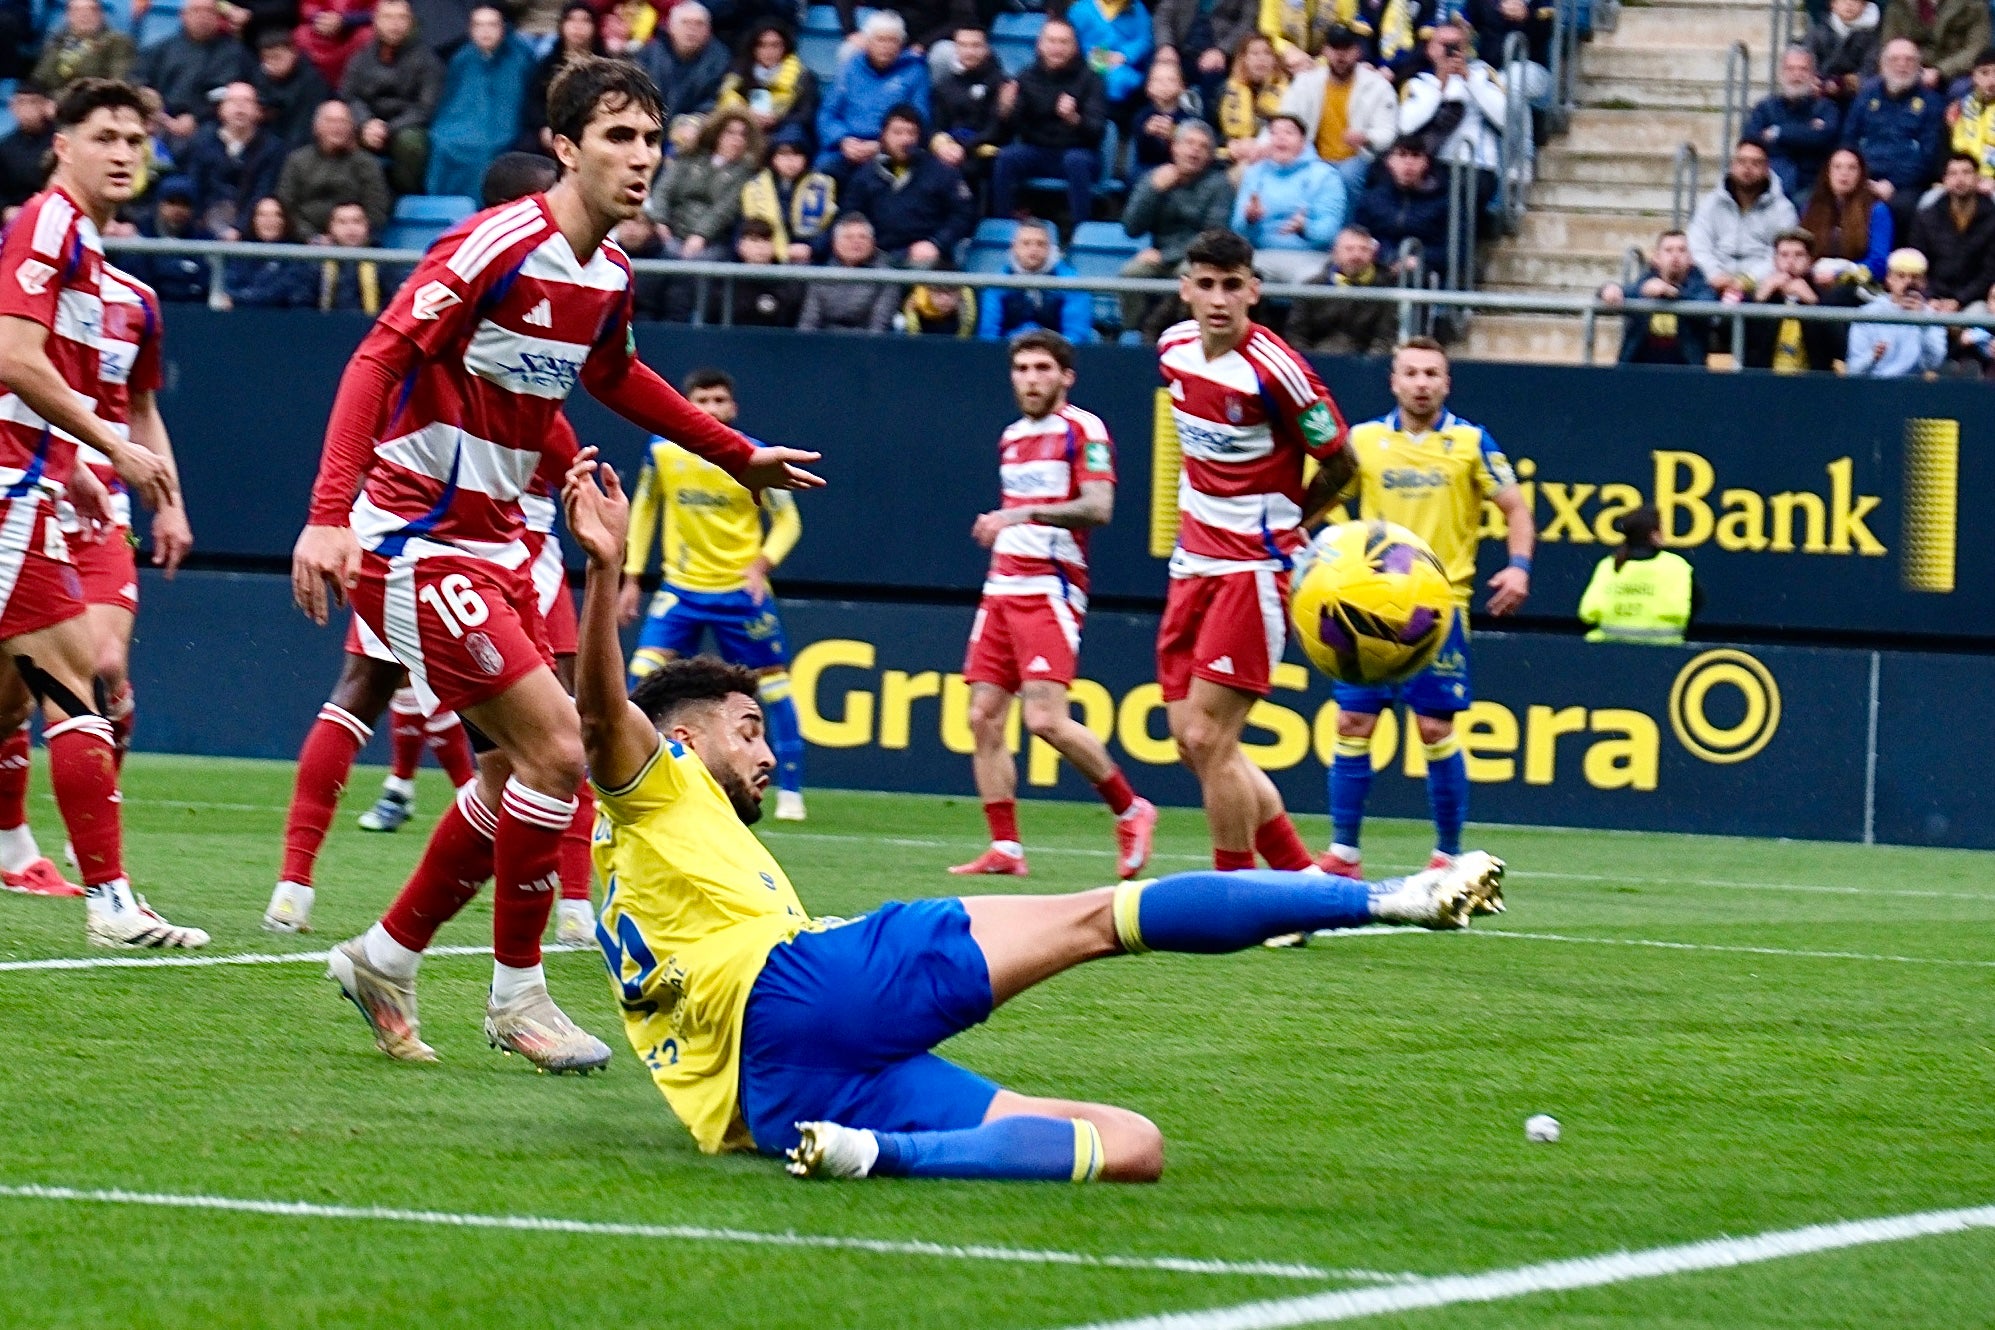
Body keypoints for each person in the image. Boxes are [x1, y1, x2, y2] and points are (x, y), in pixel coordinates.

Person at [560, 453, 1506, 1180]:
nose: (765, 754)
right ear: (680, 735)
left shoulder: (640, 849)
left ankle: (877, 1156)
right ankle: (1385, 898)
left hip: (769, 1100)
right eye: (749, 729)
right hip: (806, 988)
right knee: (1104, 919)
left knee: (1131, 1146)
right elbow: (604, 716)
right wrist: (605, 569)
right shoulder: (661, 776)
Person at [293, 56, 823, 1072]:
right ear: (566, 147)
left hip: (498, 541)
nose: (642, 157)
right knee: (559, 752)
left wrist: (736, 453)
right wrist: (329, 517)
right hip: (412, 538)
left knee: (511, 775)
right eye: (619, 137)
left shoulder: (609, 274)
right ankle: (517, 999)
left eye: (653, 139)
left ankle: (385, 954)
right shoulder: (499, 242)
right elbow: (379, 357)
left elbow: (614, 374)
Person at [0, 79, 196, 944]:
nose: (122, 152)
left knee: (44, 696)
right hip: (12, 488)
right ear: (63, 143)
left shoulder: (90, 253)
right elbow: (14, 358)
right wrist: (107, 448)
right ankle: (110, 902)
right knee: (77, 687)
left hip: (36, 487)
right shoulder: (47, 222)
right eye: (105, 135)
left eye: (135, 140)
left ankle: (90, 885)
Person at [1155, 228, 1353, 873]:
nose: (1218, 300)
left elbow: (1342, 464)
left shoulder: (1280, 371)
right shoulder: (1174, 350)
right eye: (1206, 285)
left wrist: (1293, 522)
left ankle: (1238, 898)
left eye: (1232, 286)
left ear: (1254, 291)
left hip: (1253, 568)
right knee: (1193, 743)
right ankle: (1301, 882)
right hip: (1193, 562)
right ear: (1186, 289)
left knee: (1211, 737)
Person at [1311, 337, 1531, 888]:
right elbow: (1318, 494)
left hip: (1437, 610)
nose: (1422, 382)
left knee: (1434, 727)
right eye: (1411, 372)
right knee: (1352, 722)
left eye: (1432, 373)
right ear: (1394, 381)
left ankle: (1448, 855)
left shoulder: (1470, 441)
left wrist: (1519, 566)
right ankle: (1343, 851)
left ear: (1446, 383)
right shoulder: (1362, 440)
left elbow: (1515, 508)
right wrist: (1330, 546)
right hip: (1367, 607)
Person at [948, 331, 1157, 880]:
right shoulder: (1011, 436)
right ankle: (1006, 848)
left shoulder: (1084, 429)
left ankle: (1131, 809)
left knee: (1044, 720)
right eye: (1021, 368)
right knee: (982, 716)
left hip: (1050, 587)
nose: (1031, 377)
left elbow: (1098, 507)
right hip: (1002, 588)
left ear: (1066, 376)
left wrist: (1018, 517)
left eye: (1043, 367)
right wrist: (1006, 529)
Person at [620, 368, 808, 821]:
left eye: (719, 400)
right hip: (682, 588)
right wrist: (631, 577)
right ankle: (622, 771)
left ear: (733, 407)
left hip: (739, 591)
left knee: (775, 689)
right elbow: (644, 510)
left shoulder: (756, 456)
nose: (711, 409)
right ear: (687, 407)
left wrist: (761, 564)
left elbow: (789, 521)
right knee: (640, 679)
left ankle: (791, 792)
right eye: (701, 401)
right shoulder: (663, 451)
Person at [1118, 119, 1233, 334]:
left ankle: (1187, 332)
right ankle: (1132, 332)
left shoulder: (1220, 185)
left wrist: (1165, 255)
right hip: (1161, 255)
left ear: (1210, 156)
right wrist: (1153, 191)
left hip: (1200, 258)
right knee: (1131, 273)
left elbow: (1213, 237)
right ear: (1175, 147)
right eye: (1189, 143)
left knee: (1187, 274)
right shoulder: (1155, 178)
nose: (1195, 151)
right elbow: (1131, 228)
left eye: (1203, 147)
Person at [990, 18, 1107, 227]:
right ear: (1040, 45)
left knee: (1075, 160)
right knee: (1006, 158)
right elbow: (1008, 131)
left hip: (1080, 153)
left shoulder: (1091, 78)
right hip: (1038, 151)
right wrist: (1005, 110)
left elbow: (1097, 131)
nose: (1057, 48)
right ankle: (1003, 228)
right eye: (1051, 41)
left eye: (1064, 42)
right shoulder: (1027, 76)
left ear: (1075, 46)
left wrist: (1074, 119)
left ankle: (1081, 231)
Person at [838, 104, 974, 268]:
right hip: (875, 257)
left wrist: (937, 243)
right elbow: (850, 215)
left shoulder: (942, 173)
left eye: (911, 133)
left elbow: (963, 214)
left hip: (925, 256)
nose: (905, 140)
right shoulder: (864, 176)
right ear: (883, 135)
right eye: (897, 133)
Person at [1396, 22, 1507, 217]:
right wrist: (1440, 86)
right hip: (1433, 164)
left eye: (1456, 45)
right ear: (1430, 49)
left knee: (1451, 200)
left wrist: (1469, 79)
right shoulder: (1418, 82)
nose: (1449, 51)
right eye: (1443, 45)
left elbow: (1505, 119)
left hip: (1476, 166)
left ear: (1466, 48)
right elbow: (1405, 126)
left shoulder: (1483, 75)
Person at [425, 5, 536, 197]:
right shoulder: (462, 58)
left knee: (486, 148)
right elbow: (451, 100)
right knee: (440, 141)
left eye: (492, 25)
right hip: (460, 123)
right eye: (479, 25)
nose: (485, 31)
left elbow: (524, 101)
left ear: (503, 28)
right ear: (471, 29)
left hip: (503, 128)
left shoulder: (520, 58)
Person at [339, 0, 445, 197]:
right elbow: (349, 96)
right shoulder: (361, 56)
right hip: (367, 124)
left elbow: (425, 107)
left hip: (406, 126)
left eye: (401, 18)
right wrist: (365, 123)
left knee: (411, 143)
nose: (394, 24)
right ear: (376, 21)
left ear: (410, 22)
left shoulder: (427, 59)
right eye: (388, 17)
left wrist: (388, 129)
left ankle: (405, 195)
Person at [1276, 24, 1397, 196]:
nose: (1340, 55)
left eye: (1346, 48)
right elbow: (1284, 119)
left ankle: (1345, 223)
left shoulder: (1378, 86)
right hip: (1313, 157)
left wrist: (1366, 137)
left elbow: (1388, 132)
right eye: (1335, 48)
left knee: (1347, 175)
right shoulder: (1305, 83)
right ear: (1325, 51)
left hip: (1359, 158)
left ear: (1358, 51)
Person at [814, 10, 932, 182]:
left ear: (901, 44)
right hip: (846, 148)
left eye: (892, 41)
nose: (886, 46)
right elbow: (827, 113)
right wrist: (843, 140)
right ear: (868, 42)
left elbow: (920, 118)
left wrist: (883, 145)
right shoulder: (850, 68)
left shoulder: (915, 71)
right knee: (824, 172)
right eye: (881, 40)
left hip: (892, 150)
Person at [1841, 38, 1947, 225]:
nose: (1902, 65)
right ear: (1882, 65)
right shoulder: (1865, 98)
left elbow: (1928, 156)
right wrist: (1859, 179)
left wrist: (1892, 184)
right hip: (1862, 178)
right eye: (1894, 60)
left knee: (1900, 208)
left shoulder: (1932, 103)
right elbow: (1848, 141)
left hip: (1907, 186)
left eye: (1909, 60)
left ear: (1919, 66)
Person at [1229, 112, 1345, 282]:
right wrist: (1249, 219)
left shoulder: (1325, 176)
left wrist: (1305, 227)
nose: (1280, 138)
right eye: (1274, 133)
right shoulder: (1254, 173)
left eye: (1288, 133)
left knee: (1311, 279)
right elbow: (1237, 229)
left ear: (1303, 142)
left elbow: (1329, 232)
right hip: (1261, 254)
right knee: (1243, 277)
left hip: (1310, 256)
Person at [646, 103, 762, 261]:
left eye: (743, 135)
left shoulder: (745, 172)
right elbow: (663, 189)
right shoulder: (689, 158)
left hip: (714, 242)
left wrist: (700, 235)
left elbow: (723, 210)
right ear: (717, 133)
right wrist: (659, 220)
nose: (737, 139)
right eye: (730, 133)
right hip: (671, 231)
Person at [134, 0, 257, 147]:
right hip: (160, 121)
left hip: (212, 125)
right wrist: (160, 115)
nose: (202, 17)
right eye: (196, 11)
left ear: (218, 17)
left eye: (209, 11)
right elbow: (138, 81)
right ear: (183, 16)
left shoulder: (235, 54)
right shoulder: (159, 50)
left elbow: (230, 91)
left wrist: (196, 117)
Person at [1686, 138, 1799, 297]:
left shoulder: (1783, 209)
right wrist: (1715, 275)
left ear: (1767, 168)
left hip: (1761, 286)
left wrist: (1749, 279)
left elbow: (1782, 254)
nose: (1747, 168)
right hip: (1713, 284)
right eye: (1741, 161)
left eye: (1755, 163)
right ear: (1732, 165)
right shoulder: (1711, 204)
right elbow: (1698, 245)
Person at [1577, 506, 1698, 646]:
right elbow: (1695, 604)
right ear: (1654, 534)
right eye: (1661, 529)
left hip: (1607, 651)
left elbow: (1587, 613)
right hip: (1663, 652)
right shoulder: (1676, 566)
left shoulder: (1607, 565)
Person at [1598, 229, 1718, 366]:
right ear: (1656, 258)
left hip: (1687, 372)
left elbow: (1708, 306)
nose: (1675, 256)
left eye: (1682, 250)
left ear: (1690, 259)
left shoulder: (1700, 287)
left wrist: (1672, 293)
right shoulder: (1645, 284)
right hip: (1637, 370)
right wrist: (1607, 290)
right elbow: (1621, 292)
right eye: (1668, 250)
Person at [183, 81, 286, 239]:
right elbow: (194, 185)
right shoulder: (202, 143)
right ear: (221, 109)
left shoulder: (271, 148)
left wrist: (239, 228)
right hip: (205, 229)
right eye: (233, 101)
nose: (240, 108)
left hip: (251, 233)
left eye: (247, 102)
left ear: (259, 111)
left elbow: (262, 191)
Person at [278, 99, 392, 239]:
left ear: (351, 127)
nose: (337, 127)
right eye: (331, 121)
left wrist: (348, 235)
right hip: (303, 244)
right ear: (317, 126)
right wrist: (311, 237)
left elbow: (376, 212)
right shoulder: (297, 161)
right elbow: (286, 208)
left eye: (342, 122)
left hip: (354, 246)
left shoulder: (367, 164)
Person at [1745, 47, 1841, 203]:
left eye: (1803, 70)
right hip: (1770, 185)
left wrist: (1778, 133)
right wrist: (1807, 133)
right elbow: (1752, 143)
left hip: (1812, 187)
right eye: (1790, 69)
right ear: (1781, 74)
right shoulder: (1765, 108)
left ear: (1813, 75)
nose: (1796, 75)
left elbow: (1824, 138)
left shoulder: (1826, 108)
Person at [976, 217, 1093, 343]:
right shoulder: (998, 282)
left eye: (1040, 244)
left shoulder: (1070, 282)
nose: (1033, 249)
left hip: (1057, 350)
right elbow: (989, 334)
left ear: (1049, 248)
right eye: (1026, 243)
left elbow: (1075, 334)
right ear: (1014, 247)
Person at [1743, 228, 1845, 371]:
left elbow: (1841, 348)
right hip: (1763, 382)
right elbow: (1730, 338)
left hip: (1813, 384)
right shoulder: (1758, 295)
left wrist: (1813, 303)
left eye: (1799, 255)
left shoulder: (1825, 296)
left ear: (1810, 261)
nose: (1790, 262)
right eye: (1784, 255)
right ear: (1775, 260)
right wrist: (1758, 299)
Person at [1287, 224, 1396, 355]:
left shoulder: (1387, 288)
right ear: (1335, 252)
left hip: (1366, 366)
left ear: (1373, 254)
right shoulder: (1312, 286)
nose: (1357, 255)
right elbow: (1295, 335)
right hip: (1315, 363)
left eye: (1364, 249)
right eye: (1349, 249)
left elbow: (1385, 339)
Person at [1907, 151, 1995, 308]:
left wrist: (1959, 301)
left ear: (1977, 178)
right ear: (1944, 180)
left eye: (1966, 173)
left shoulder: (1992, 218)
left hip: (1976, 300)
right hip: (1932, 299)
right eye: (1953, 174)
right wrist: (1931, 297)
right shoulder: (1927, 217)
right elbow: (1918, 263)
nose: (1960, 179)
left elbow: (1990, 272)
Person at [740, 123, 838, 263]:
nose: (790, 160)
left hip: (810, 258)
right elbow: (744, 228)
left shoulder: (823, 185)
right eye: (783, 154)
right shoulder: (754, 187)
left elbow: (830, 226)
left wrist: (812, 248)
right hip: (764, 259)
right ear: (773, 157)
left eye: (797, 154)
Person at [716, 19, 817, 147]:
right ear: (753, 48)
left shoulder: (802, 76)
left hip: (781, 134)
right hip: (744, 130)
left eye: (775, 45)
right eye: (762, 45)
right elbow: (724, 100)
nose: (768, 51)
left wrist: (777, 119)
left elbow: (806, 114)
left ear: (785, 47)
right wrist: (746, 114)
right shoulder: (738, 73)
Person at [1845, 246, 1946, 374]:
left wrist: (1922, 323)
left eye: (1915, 277)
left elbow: (1935, 363)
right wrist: (1872, 357)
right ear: (1889, 279)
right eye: (1901, 276)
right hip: (1875, 386)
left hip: (1913, 388)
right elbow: (1852, 370)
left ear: (1924, 282)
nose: (1908, 282)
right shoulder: (1867, 314)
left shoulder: (1931, 316)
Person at [928, 24, 1008, 180]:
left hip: (983, 151)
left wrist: (963, 148)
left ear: (986, 48)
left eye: (976, 45)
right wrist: (942, 146)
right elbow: (936, 125)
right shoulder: (944, 86)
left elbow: (996, 130)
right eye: (963, 45)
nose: (969, 52)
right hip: (949, 150)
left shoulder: (1000, 84)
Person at [1352, 135, 1450, 260]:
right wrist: (1389, 257)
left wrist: (1420, 259)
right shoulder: (1372, 198)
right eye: (1402, 155)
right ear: (1389, 161)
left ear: (1426, 162)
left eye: (1415, 155)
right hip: (1379, 266)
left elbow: (1454, 250)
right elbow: (1358, 236)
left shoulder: (1445, 201)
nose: (1409, 162)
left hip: (1424, 271)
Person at [797, 213, 899, 331]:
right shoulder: (822, 275)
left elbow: (879, 327)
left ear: (872, 242)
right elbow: (808, 323)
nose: (856, 242)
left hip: (867, 344)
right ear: (835, 243)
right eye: (848, 237)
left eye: (862, 237)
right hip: (825, 344)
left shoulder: (887, 276)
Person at [1800, 144, 1894, 272]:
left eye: (1852, 168)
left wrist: (1840, 274)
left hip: (1857, 282)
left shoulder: (1876, 210)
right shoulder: (1810, 207)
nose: (1844, 173)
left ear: (1861, 175)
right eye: (1837, 167)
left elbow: (1878, 262)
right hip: (1816, 276)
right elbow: (1802, 253)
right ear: (1827, 173)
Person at [639, 0, 731, 122]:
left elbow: (715, 100)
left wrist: (695, 121)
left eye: (699, 24)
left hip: (696, 127)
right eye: (685, 22)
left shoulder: (720, 60)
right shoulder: (648, 55)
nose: (692, 29)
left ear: (709, 30)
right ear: (670, 27)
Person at [222, 194, 321, 306]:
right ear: (253, 219)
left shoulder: (298, 256)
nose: (269, 221)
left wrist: (237, 298)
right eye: (262, 215)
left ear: (284, 220)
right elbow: (226, 285)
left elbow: (277, 293)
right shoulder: (240, 253)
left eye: (276, 215)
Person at [703, 217, 804, 325]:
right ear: (740, 245)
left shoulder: (788, 282)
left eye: (766, 240)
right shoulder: (724, 282)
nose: (760, 246)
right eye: (754, 240)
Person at [130, 175, 214, 303]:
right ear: (158, 205)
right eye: (171, 202)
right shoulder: (140, 235)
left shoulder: (204, 240)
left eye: (184, 204)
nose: (177, 210)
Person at [1066, 0, 1154, 119]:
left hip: (1127, 69)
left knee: (1121, 80)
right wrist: (1093, 57)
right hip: (1088, 66)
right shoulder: (1080, 9)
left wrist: (1124, 55)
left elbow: (1145, 38)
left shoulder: (1137, 7)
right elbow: (1070, 40)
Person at [1880, 0, 1988, 92]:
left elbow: (1976, 49)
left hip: (1954, 72)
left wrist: (1940, 70)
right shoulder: (1899, 4)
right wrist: (1915, 69)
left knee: (1960, 89)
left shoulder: (1973, 4)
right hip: (1909, 66)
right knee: (1875, 86)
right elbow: (1890, 44)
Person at [1213, 31, 1285, 167]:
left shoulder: (1289, 92)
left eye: (1267, 53)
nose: (1261, 59)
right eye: (1255, 54)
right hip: (1232, 156)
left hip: (1271, 157)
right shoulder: (1223, 90)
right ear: (1244, 59)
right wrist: (1229, 143)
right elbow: (1212, 130)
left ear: (1275, 59)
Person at [33, 0, 137, 94]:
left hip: (93, 102)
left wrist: (60, 98)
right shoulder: (58, 41)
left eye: (91, 10)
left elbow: (116, 83)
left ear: (101, 14)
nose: (84, 15)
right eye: (77, 10)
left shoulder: (116, 41)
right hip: (52, 105)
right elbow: (40, 78)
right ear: (68, 15)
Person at [256, 30, 336, 149]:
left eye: (277, 57)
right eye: (266, 58)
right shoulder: (260, 79)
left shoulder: (312, 82)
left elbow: (305, 129)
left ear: (293, 53)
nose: (271, 63)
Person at [1130, 55, 1202, 171]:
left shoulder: (1189, 115)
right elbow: (1140, 148)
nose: (1164, 85)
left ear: (1182, 87)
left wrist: (1174, 134)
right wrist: (1147, 132)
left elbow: (1194, 137)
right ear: (1148, 88)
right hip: (1148, 168)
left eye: (1171, 80)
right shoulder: (1142, 115)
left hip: (1179, 168)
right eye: (1158, 80)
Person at [316, 200, 389, 310]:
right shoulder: (314, 261)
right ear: (330, 227)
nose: (351, 228)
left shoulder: (386, 262)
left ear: (367, 225)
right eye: (342, 222)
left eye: (357, 221)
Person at [1806, 0, 1882, 102]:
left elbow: (1869, 68)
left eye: (1855, 1)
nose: (1849, 4)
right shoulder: (1819, 31)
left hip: (1855, 97)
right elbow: (1808, 58)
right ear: (1833, 5)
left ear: (1864, 7)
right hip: (1820, 94)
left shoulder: (1871, 36)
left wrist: (1843, 83)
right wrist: (1815, 80)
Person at [0, 84, 55, 215]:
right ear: (12, 107)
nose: (27, 109)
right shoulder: (5, 147)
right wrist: (4, 209)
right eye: (21, 103)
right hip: (18, 213)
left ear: (45, 105)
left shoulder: (63, 141)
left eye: (33, 102)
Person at [296, 0, 374, 89]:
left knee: (368, 36)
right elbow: (308, 7)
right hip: (321, 30)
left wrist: (345, 20)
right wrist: (321, 18)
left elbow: (377, 11)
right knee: (301, 35)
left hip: (354, 30)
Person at [1949, 46, 1995, 183]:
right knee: (1929, 201)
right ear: (1974, 77)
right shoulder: (1960, 108)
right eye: (1985, 73)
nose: (1992, 81)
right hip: (1963, 181)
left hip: (1991, 183)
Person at [900, 276, 976, 333]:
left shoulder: (966, 300)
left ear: (960, 293)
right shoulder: (914, 302)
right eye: (938, 292)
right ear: (928, 291)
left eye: (950, 293)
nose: (945, 299)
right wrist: (911, 317)